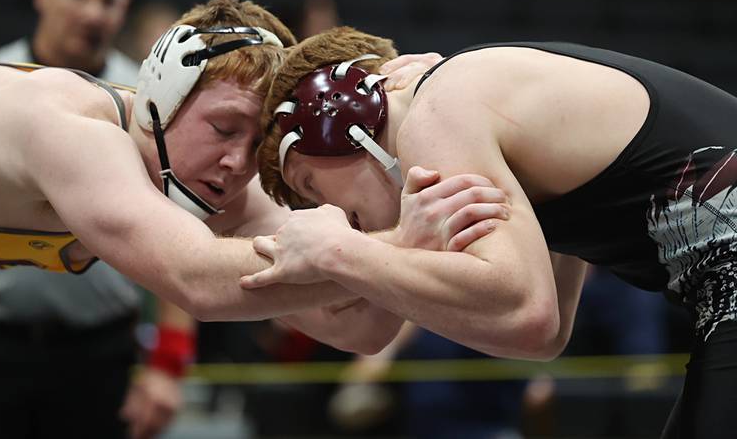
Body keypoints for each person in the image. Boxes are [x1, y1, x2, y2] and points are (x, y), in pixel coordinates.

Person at [0, 0, 508, 439]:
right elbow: (196, 281)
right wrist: (398, 244)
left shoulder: (214, 177)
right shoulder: (69, 129)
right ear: (165, 92)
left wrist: (395, 230)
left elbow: (359, 327)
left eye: (257, 142)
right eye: (224, 128)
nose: (238, 162)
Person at [251, 26, 737, 438]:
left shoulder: (433, 113)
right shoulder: (467, 108)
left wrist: (339, 252)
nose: (328, 211)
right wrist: (397, 254)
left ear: (342, 119)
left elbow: (527, 314)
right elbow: (542, 336)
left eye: (310, 186)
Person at [0, 0, 192, 439]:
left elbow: (185, 230)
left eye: (109, 0)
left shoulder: (152, 107)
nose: (93, 13)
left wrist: (168, 362)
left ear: (124, 9)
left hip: (98, 353)